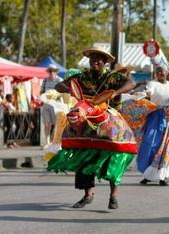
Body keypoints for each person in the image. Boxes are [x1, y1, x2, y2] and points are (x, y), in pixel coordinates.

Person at [48, 47, 137, 209]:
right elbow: (60, 85)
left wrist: (115, 92)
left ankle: (113, 196)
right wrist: (69, 88)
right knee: (84, 154)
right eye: (92, 58)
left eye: (99, 59)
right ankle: (88, 194)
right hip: (86, 120)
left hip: (110, 121)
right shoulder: (82, 77)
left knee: (113, 155)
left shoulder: (112, 77)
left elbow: (132, 83)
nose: (95, 61)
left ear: (104, 62)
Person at [137, 63, 169, 185]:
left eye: (162, 71)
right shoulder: (152, 84)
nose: (160, 73)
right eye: (158, 71)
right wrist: (144, 94)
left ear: (167, 73)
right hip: (155, 117)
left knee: (166, 146)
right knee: (150, 143)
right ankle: (148, 174)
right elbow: (149, 92)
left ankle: (162, 176)